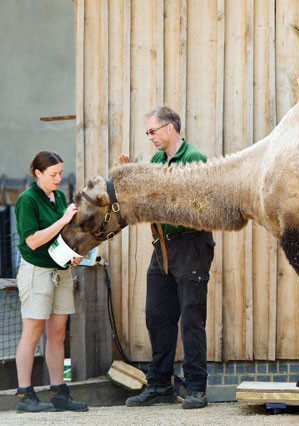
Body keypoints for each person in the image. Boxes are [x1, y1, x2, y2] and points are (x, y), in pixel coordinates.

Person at [122, 106, 214, 410]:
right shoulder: (156, 161)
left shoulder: (194, 159)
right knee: (157, 315)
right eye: (148, 132)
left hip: (191, 245)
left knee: (191, 317)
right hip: (162, 246)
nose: (150, 137)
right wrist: (130, 178)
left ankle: (197, 387)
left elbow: (196, 206)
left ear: (169, 128)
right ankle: (160, 384)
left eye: (152, 131)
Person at [14, 151, 88, 413]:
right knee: (32, 334)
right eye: (53, 174)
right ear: (38, 173)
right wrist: (63, 219)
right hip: (37, 272)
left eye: (60, 173)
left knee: (57, 334)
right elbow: (32, 240)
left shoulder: (57, 196)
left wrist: (72, 255)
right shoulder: (26, 200)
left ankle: (59, 393)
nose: (58, 179)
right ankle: (25, 396)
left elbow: (60, 236)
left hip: (61, 271)